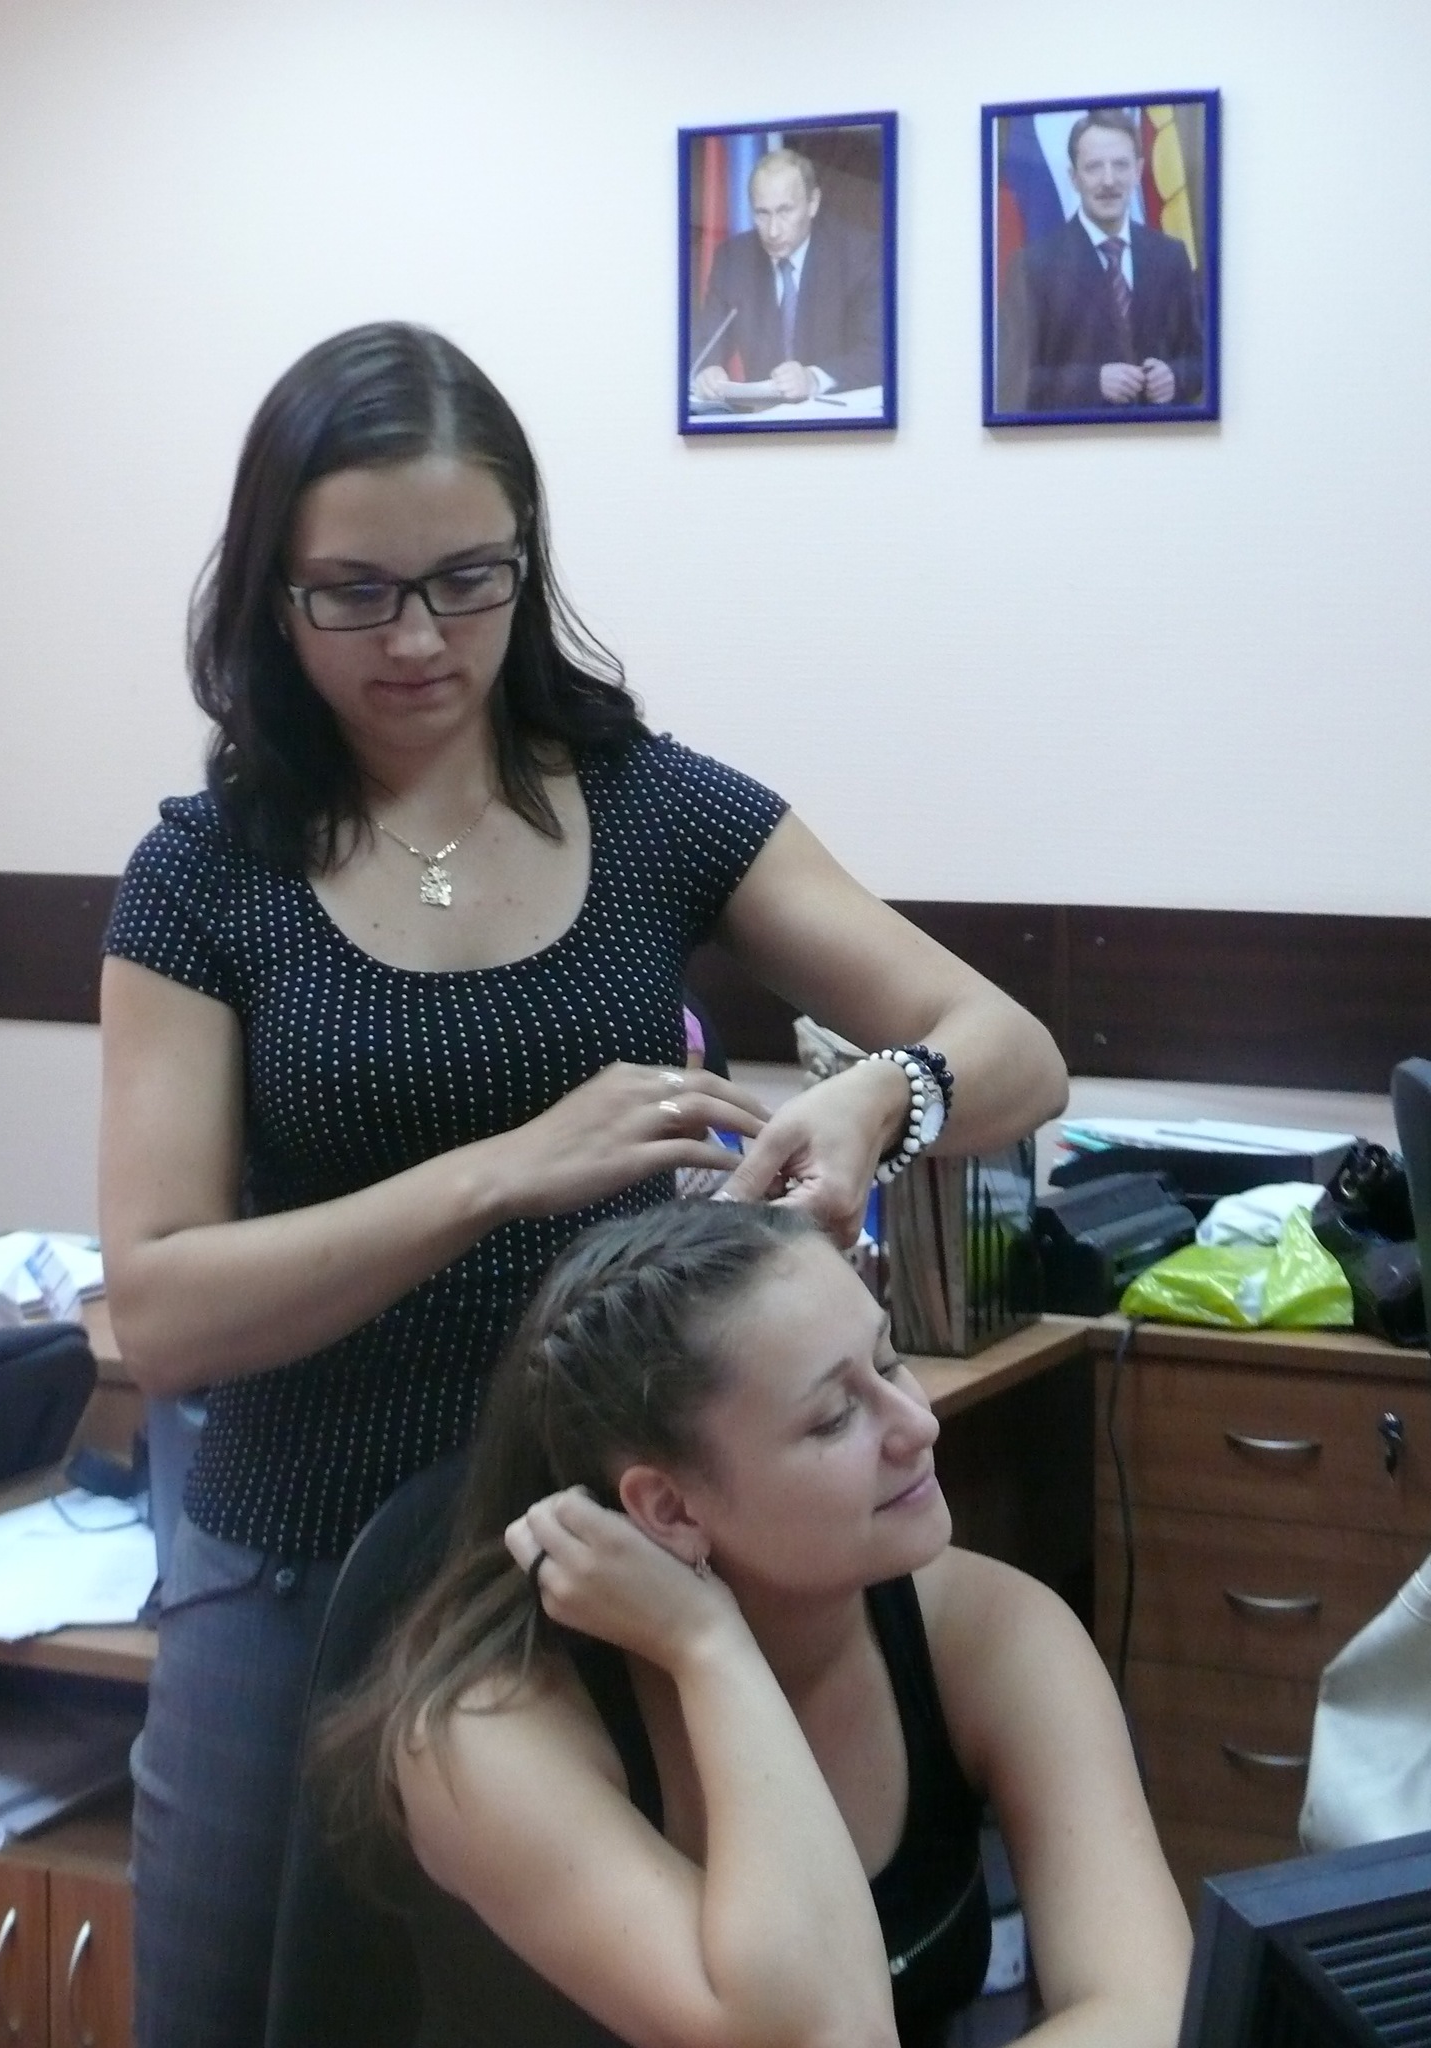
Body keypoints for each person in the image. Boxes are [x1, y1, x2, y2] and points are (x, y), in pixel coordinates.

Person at [97, 319, 1067, 2045]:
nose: (418, 637)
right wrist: (497, 1174)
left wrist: (880, 1097)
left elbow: (1011, 1048)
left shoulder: (647, 806)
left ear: (527, 558)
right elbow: (162, 1305)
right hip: (298, 1558)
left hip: (615, 1565)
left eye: (466, 579)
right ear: (270, 595)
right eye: (355, 592)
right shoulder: (204, 879)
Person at [329, 1200, 1191, 2048]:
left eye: (888, 1362)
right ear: (669, 1508)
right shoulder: (484, 1735)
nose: (917, 1423)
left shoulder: (988, 1630)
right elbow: (825, 2033)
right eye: (834, 1417)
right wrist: (711, 1650)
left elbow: (1154, 2007)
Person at [999, 109, 1204, 414]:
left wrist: (1175, 378)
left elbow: (1201, 360)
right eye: (1094, 167)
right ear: (1074, 178)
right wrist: (1092, 384)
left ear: (1138, 171)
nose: (1109, 181)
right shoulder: (1032, 266)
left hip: (1162, 438)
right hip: (1072, 440)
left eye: (1120, 165)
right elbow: (1011, 381)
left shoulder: (1170, 255)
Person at [691, 148, 883, 404]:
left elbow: (880, 353)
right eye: (762, 213)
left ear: (813, 203)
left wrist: (814, 378)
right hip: (762, 418)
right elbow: (705, 343)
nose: (773, 231)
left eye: (785, 211)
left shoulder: (859, 254)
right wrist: (707, 370)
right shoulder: (734, 259)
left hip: (836, 417)